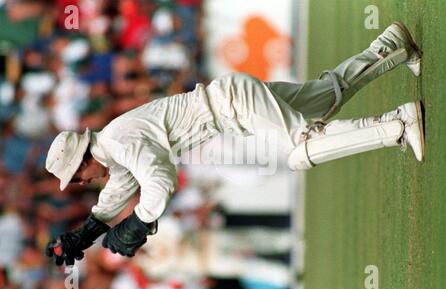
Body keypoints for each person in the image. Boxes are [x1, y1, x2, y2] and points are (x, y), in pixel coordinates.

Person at [45, 22, 424, 266]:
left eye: (75, 177)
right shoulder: (113, 147)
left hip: (232, 104)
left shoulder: (118, 141)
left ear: (81, 161)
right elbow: (119, 189)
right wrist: (86, 232)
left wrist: (139, 223)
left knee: (300, 149)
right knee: (326, 98)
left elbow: (160, 181)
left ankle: (397, 124)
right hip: (232, 102)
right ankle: (390, 45)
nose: (80, 183)